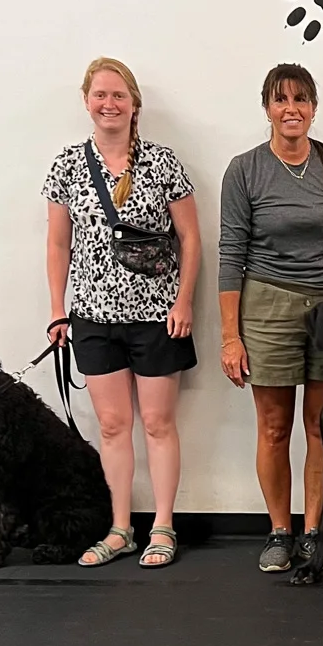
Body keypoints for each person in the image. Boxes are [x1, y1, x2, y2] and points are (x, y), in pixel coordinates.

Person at [43, 56, 201, 568]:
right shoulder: (67, 165)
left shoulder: (162, 162)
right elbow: (58, 245)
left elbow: (190, 238)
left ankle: (163, 526)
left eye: (118, 95)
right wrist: (58, 311)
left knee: (157, 423)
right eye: (100, 95)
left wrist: (183, 300)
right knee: (112, 426)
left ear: (135, 105)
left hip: (158, 316)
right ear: (86, 101)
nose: (108, 104)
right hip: (92, 317)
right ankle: (119, 529)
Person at [218, 64, 323, 574]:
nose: (291, 109)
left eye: (301, 99)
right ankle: (280, 532)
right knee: (275, 427)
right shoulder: (244, 170)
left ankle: (315, 533)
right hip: (268, 306)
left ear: (314, 108)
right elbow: (231, 253)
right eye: (281, 100)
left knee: (322, 427)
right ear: (267, 108)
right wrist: (230, 336)